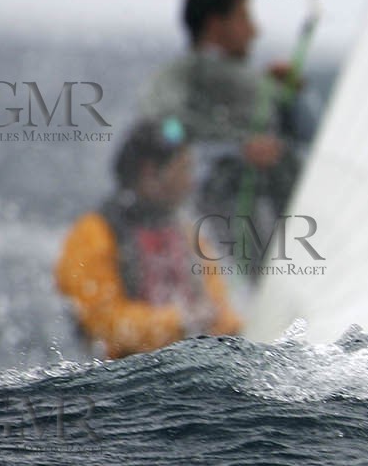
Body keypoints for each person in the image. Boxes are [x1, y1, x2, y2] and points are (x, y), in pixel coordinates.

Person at [55, 117, 242, 359]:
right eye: (183, 169)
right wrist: (179, 322)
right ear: (150, 173)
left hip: (190, 367)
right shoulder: (92, 234)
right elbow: (103, 324)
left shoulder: (185, 232)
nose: (191, 182)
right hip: (122, 377)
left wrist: (233, 330)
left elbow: (217, 307)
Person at [137, 0, 306, 235]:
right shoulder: (183, 75)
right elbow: (163, 128)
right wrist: (235, 148)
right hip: (216, 229)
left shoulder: (258, 81)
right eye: (244, 18)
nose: (255, 31)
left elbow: (302, 140)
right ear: (216, 25)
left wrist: (290, 95)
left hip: (281, 228)